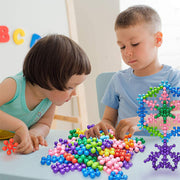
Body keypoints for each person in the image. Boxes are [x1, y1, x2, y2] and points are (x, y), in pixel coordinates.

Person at [85, 5, 180, 140]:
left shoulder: (173, 78)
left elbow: (177, 116)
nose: (127, 52)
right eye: (122, 47)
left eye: (135, 44)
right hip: (127, 151)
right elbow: (107, 119)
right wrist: (104, 126)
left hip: (164, 150)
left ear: (157, 40)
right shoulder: (118, 80)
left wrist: (144, 120)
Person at [0, 34, 91, 154]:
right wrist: (19, 126)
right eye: (70, 87)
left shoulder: (49, 99)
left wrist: (35, 132)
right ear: (47, 79)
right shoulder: (13, 85)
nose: (74, 93)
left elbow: (44, 124)